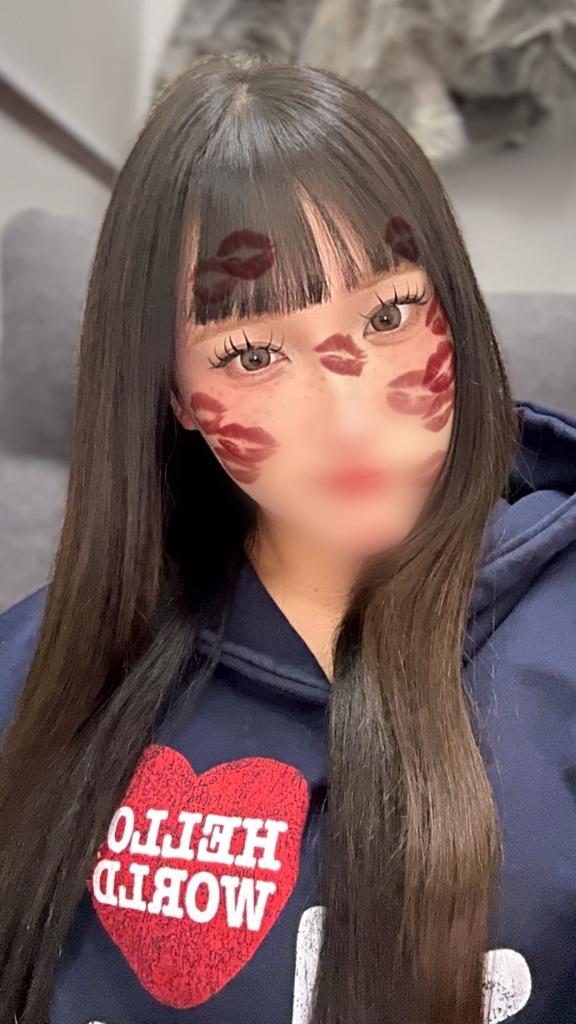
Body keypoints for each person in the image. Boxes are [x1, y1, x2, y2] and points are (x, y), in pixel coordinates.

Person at [0, 50, 574, 1024]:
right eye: (253, 352)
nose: (349, 418)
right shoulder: (36, 669)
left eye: (390, 313)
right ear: (175, 393)